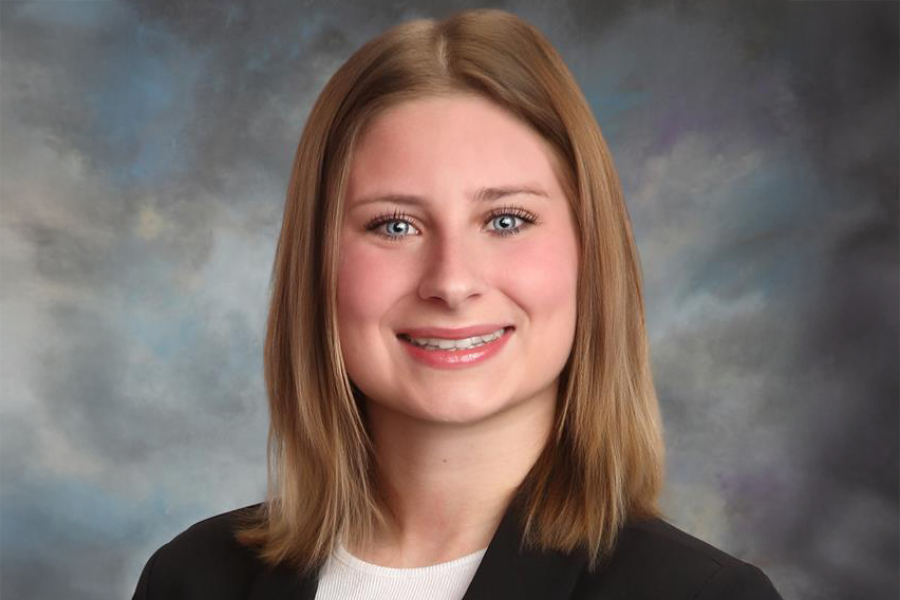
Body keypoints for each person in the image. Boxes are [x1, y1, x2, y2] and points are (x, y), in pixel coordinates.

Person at [132, 8, 784, 600]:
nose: (451, 282)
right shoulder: (191, 580)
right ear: (318, 265)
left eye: (506, 220)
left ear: (591, 254)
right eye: (395, 225)